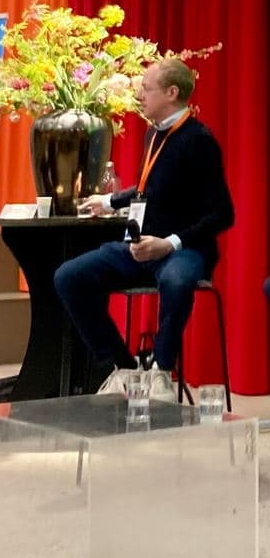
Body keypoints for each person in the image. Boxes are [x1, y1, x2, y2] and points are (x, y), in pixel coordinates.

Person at [54, 58, 234, 401]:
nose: (139, 96)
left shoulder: (199, 140)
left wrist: (169, 244)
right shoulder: (154, 132)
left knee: (176, 280)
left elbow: (222, 214)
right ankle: (124, 368)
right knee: (69, 276)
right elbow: (147, 190)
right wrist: (108, 202)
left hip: (183, 250)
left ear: (171, 92)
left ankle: (162, 371)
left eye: (146, 89)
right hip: (140, 246)